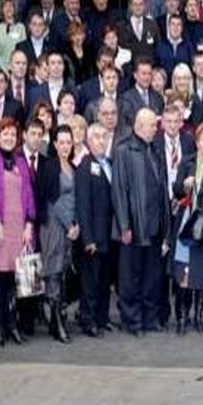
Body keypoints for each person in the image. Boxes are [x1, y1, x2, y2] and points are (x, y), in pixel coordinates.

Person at [112, 108, 168, 335]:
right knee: (130, 278)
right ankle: (132, 321)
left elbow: (161, 188)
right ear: (139, 126)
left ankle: (149, 318)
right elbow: (119, 191)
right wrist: (124, 225)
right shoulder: (124, 150)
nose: (156, 129)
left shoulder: (155, 150)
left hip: (154, 226)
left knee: (151, 277)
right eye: (153, 125)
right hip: (134, 227)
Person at [0, 119, 36, 348]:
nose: (9, 137)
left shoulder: (21, 162)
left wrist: (29, 224)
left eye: (13, 134)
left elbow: (29, 194)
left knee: (16, 281)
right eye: (5, 134)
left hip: (19, 228)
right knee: (1, 281)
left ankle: (13, 325)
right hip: (2, 229)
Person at [169, 123, 203, 334]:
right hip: (185, 225)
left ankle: (198, 317)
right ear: (197, 143)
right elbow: (176, 191)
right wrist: (184, 185)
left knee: (201, 275)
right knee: (183, 273)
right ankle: (182, 318)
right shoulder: (186, 162)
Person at [34, 125, 80, 343]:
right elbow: (51, 199)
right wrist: (68, 224)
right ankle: (58, 322)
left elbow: (77, 198)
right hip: (53, 226)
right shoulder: (48, 166)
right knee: (53, 270)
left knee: (63, 271)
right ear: (54, 144)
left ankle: (56, 319)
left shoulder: (73, 166)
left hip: (71, 226)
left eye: (68, 142)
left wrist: (76, 223)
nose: (65, 146)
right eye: (61, 142)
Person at [75, 124, 115, 337]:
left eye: (104, 137)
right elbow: (83, 205)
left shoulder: (109, 163)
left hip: (109, 234)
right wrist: (87, 238)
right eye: (97, 137)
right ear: (88, 141)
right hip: (93, 237)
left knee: (104, 280)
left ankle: (102, 318)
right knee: (90, 281)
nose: (101, 140)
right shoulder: (85, 165)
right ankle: (88, 320)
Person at [0, 0, 26, 72]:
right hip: (1, 69)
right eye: (5, 6)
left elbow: (23, 50)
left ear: (14, 9)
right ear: (2, 10)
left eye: (11, 6)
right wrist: (5, 70)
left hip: (17, 68)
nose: (8, 8)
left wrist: (15, 68)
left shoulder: (21, 27)